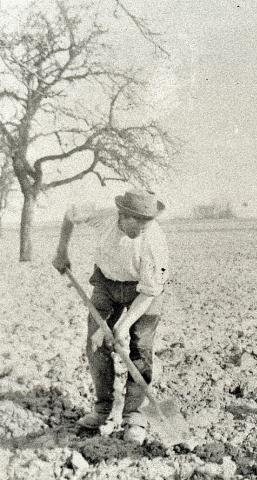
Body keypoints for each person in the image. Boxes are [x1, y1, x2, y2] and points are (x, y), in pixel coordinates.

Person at [52, 188, 169, 445]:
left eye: (146, 221)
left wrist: (124, 326)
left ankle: (134, 417)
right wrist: (62, 251)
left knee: (140, 348)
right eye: (135, 220)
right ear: (121, 214)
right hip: (106, 282)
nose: (140, 228)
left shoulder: (155, 243)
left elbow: (149, 292)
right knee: (95, 342)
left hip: (144, 291)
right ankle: (103, 409)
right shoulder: (102, 217)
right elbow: (69, 215)